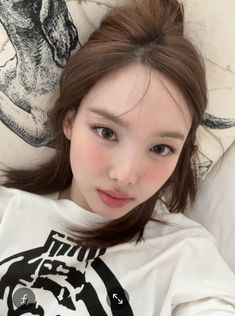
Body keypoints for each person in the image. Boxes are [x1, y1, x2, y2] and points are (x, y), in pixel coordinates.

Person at [0, 0, 235, 314]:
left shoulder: (183, 255)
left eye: (161, 148)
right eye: (106, 132)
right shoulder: (7, 214)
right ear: (69, 120)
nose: (125, 175)